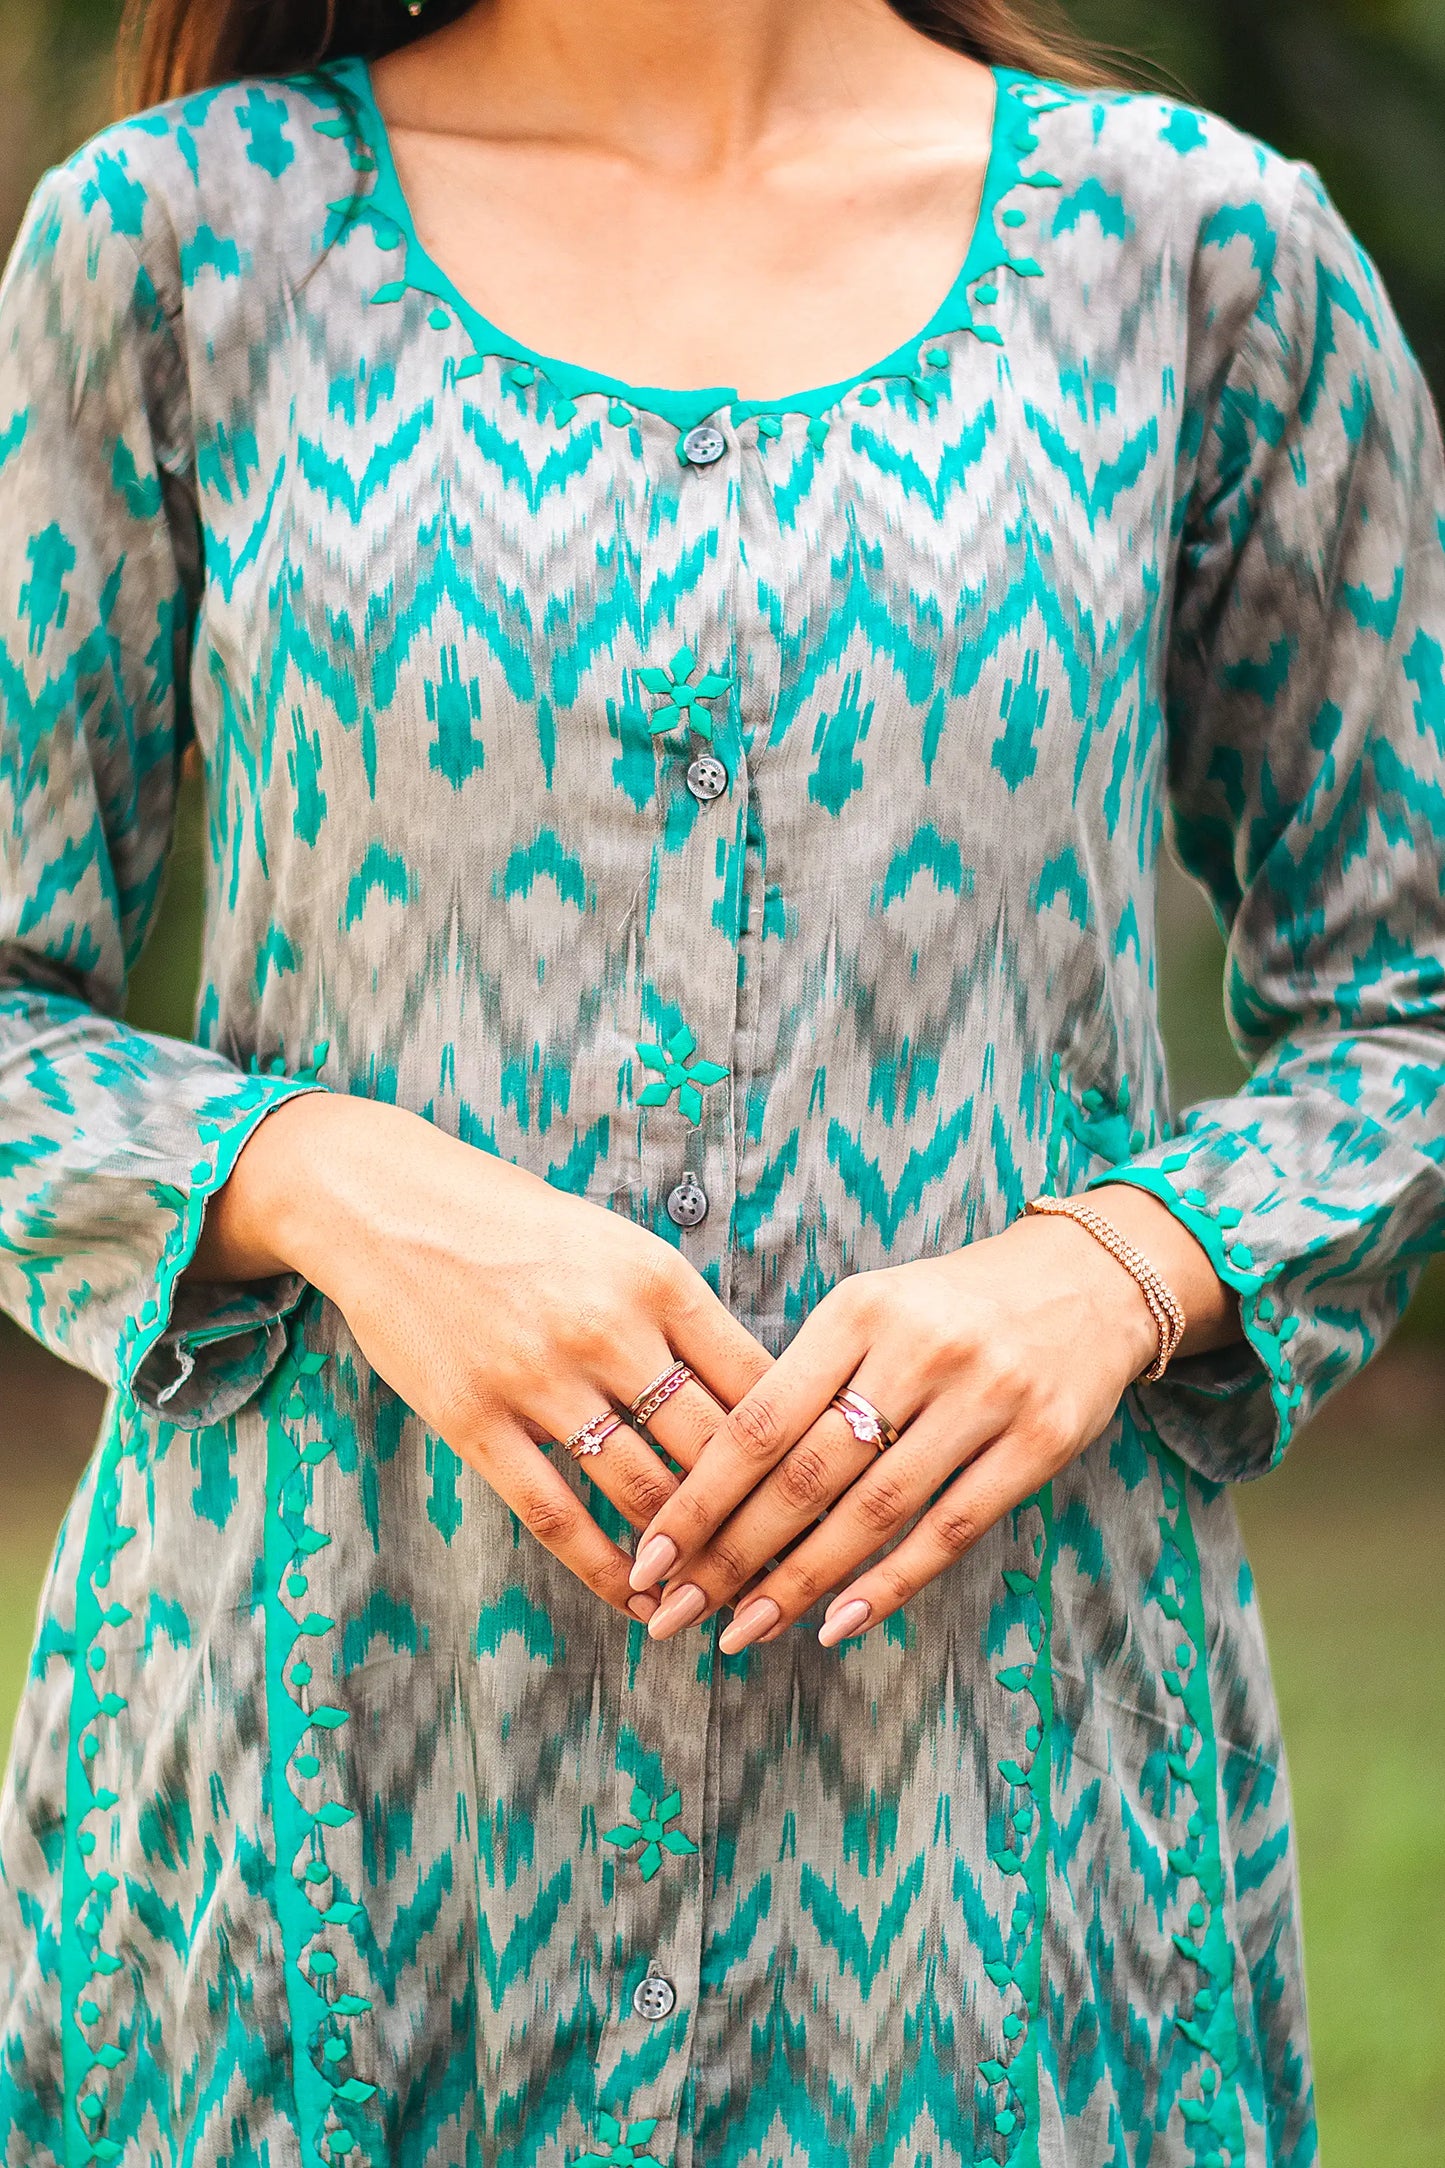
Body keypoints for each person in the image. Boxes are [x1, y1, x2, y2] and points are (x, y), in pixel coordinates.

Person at [0, 0, 1441, 2159]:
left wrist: (1117, 1269)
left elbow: (1410, 1002)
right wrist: (326, 1177)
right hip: (321, 1856)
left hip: (1006, 1870)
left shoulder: (1205, 258)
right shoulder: (173, 248)